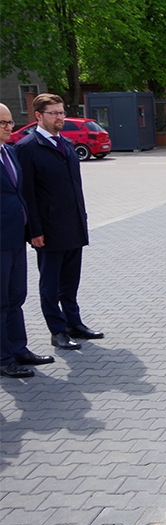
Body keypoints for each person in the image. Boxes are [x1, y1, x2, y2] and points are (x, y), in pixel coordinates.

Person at [16, 93, 104, 350]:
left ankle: (73, 323)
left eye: (61, 112)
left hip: (73, 225)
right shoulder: (27, 148)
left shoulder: (65, 144)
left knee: (70, 281)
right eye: (53, 113)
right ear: (38, 116)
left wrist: (82, 219)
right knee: (50, 284)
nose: (59, 118)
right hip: (49, 230)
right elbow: (27, 194)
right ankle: (57, 330)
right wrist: (35, 230)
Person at [1, 103, 55, 378]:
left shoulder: (8, 152)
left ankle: (18, 349)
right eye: (4, 123)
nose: (10, 127)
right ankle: (3, 358)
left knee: (15, 297)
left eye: (10, 122)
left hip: (14, 237)